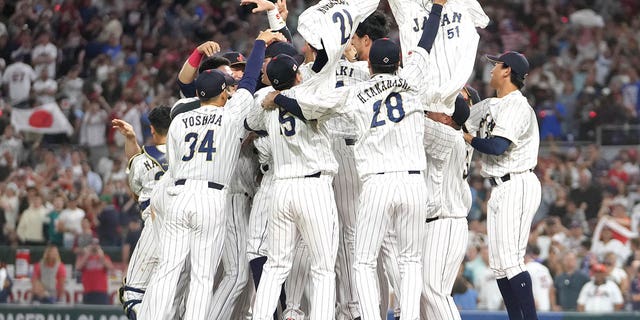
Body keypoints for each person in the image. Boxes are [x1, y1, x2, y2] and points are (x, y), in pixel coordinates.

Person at [259, 2, 444, 318]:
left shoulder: (357, 87)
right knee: (409, 258)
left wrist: (280, 98)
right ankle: (404, 314)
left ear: (368, 60)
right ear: (399, 62)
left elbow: (310, 102)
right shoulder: (411, 78)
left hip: (372, 176)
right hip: (413, 179)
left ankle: (364, 313)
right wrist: (437, 8)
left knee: (361, 256)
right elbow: (426, 42)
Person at [138, 30, 283, 320]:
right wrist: (259, 44)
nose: (232, 88)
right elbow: (251, 79)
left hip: (179, 193)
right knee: (203, 276)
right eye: (228, 86)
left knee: (169, 268)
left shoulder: (179, 119)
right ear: (221, 91)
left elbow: (175, 166)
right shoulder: (229, 115)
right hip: (211, 197)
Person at [464, 51, 541, 320]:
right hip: (499, 187)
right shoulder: (489, 104)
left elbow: (497, 146)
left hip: (518, 182)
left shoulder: (517, 106)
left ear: (507, 71)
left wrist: (467, 137)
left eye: (496, 65)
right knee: (498, 266)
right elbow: (463, 115)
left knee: (511, 261)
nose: (492, 69)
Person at [113, 105, 172, 319]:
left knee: (133, 293)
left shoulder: (143, 159)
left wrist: (131, 139)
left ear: (153, 130)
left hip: (155, 227)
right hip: (188, 226)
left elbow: (136, 186)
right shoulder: (188, 155)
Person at [420, 94, 471, 320]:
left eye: (434, 109)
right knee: (426, 293)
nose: (428, 111)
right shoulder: (450, 133)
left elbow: (412, 119)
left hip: (445, 223)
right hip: (442, 222)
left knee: (434, 290)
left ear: (446, 118)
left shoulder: (447, 135)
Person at [76, 238, 114, 305]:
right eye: (92, 244)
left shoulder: (104, 257)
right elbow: (78, 267)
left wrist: (101, 256)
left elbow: (111, 268)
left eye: (96, 244)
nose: (94, 246)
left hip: (101, 291)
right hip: (88, 291)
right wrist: (87, 255)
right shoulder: (83, 257)